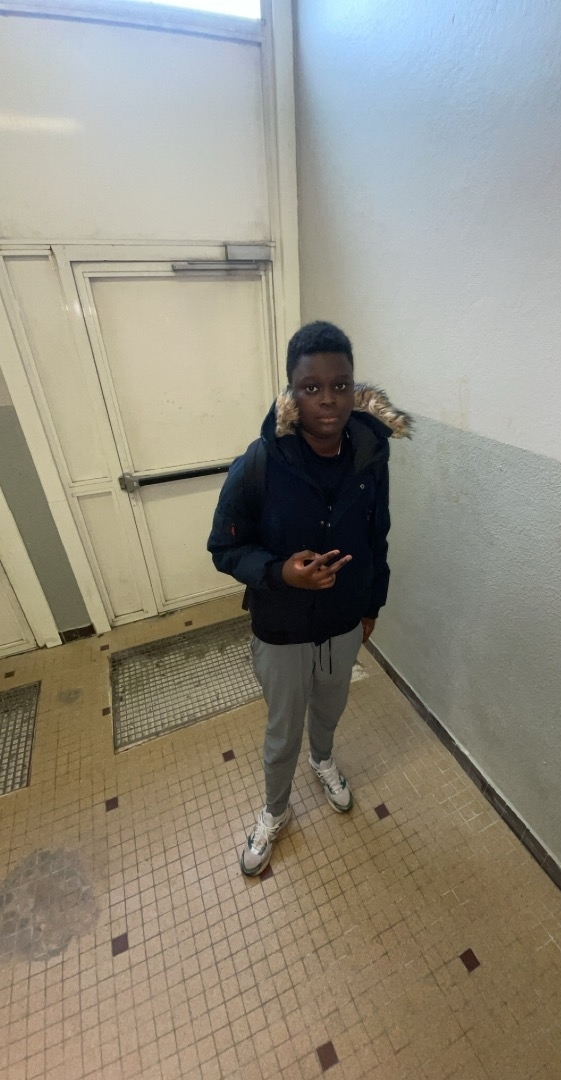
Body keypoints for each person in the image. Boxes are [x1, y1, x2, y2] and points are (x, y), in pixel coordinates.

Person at [207, 321, 411, 875]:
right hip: (281, 627)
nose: (328, 400)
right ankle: (275, 810)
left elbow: (377, 536)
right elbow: (224, 548)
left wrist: (371, 606)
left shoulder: (371, 456)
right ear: (291, 393)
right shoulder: (260, 463)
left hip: (344, 622)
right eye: (311, 387)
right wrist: (280, 573)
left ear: (353, 387)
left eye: (340, 385)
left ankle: (323, 760)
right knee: (282, 729)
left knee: (331, 707)